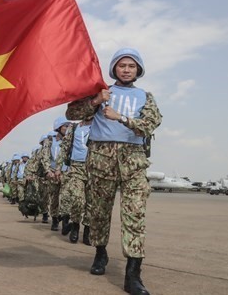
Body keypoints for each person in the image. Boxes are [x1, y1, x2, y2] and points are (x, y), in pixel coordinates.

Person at [66, 48, 162, 295]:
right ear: (114, 69)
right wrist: (96, 101)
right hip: (100, 160)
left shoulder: (145, 97)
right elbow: (72, 113)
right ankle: (100, 254)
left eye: (131, 66)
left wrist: (122, 118)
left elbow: (150, 124)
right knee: (98, 212)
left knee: (135, 214)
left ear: (138, 70)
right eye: (122, 66)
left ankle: (133, 275)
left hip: (133, 161)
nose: (127, 69)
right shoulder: (100, 92)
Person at [61, 116, 93, 245]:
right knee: (77, 199)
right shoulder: (74, 128)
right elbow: (65, 147)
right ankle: (75, 225)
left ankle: (87, 230)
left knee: (91, 202)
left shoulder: (99, 125)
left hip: (93, 167)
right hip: (76, 166)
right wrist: (59, 168)